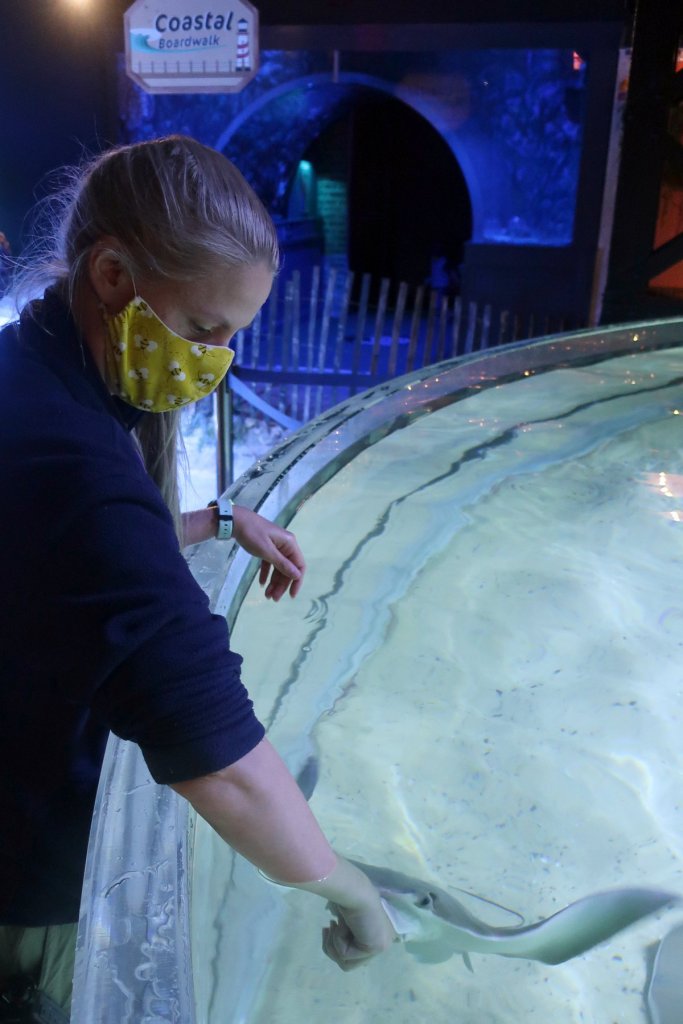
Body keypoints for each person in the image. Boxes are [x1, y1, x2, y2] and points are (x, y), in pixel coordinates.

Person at [0, 135, 395, 1021]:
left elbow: (49, 556)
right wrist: (348, 891)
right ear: (110, 275)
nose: (215, 361)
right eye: (201, 328)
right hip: (18, 875)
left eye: (231, 338)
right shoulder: (78, 463)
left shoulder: (24, 370)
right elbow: (220, 759)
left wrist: (210, 521)